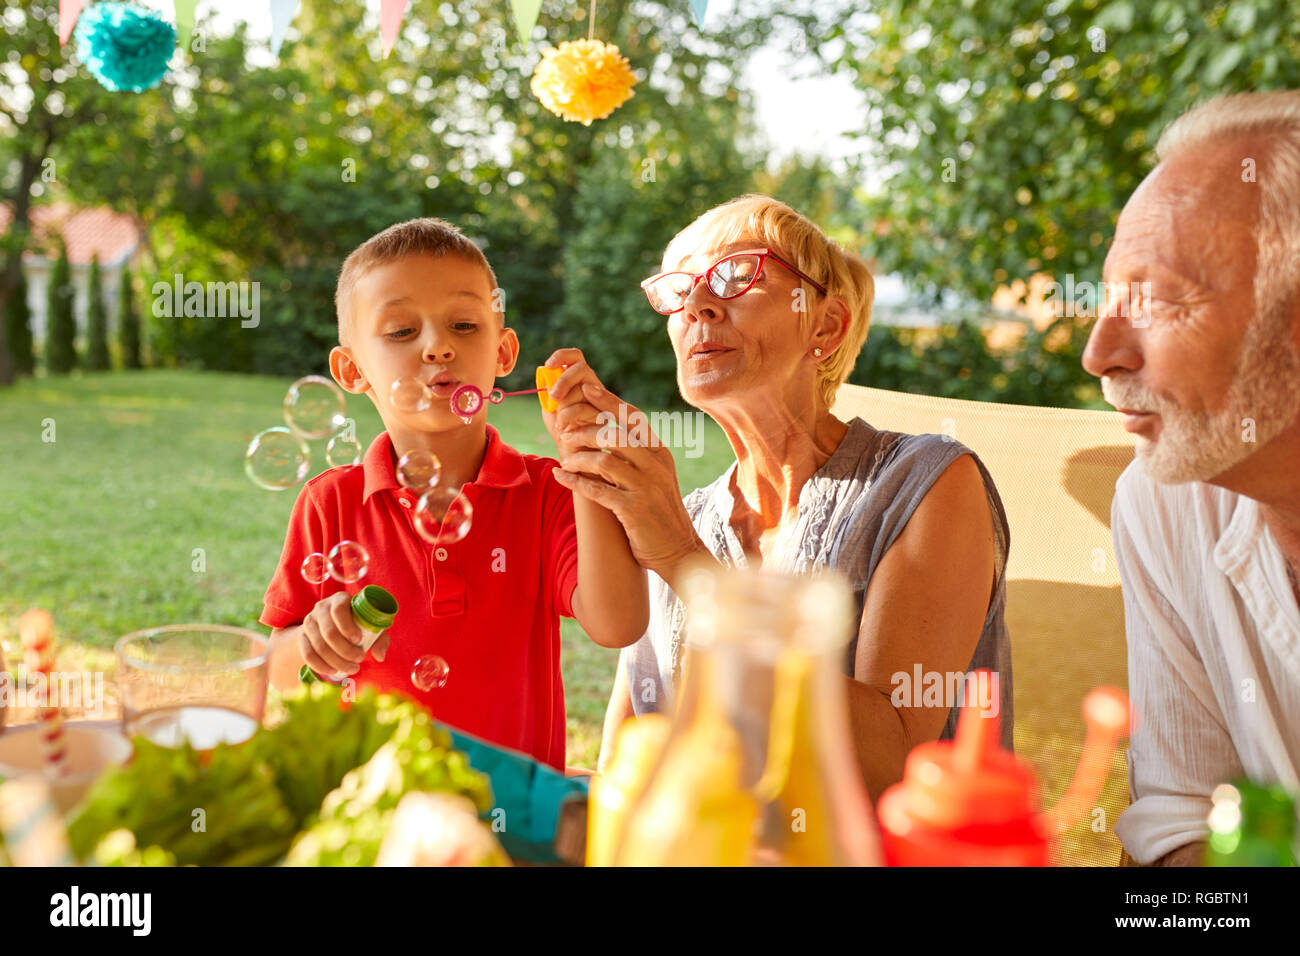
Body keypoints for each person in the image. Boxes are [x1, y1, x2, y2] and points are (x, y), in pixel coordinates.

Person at [543, 195, 1012, 799]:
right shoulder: (681, 518)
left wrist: (684, 561)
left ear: (826, 324)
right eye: (678, 290)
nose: (698, 307)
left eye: (737, 276)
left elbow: (894, 765)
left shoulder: (924, 482)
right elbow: (624, 772)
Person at [260, 218, 648, 770]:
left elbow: (618, 624)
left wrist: (581, 458)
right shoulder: (329, 504)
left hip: (513, 828)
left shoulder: (549, 493)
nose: (438, 346)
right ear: (351, 370)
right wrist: (311, 645)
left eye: (464, 325)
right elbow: (277, 671)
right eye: (400, 331)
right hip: (377, 816)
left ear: (504, 354)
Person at [1082, 91, 1300, 865]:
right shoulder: (1163, 501)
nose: (1100, 353)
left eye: (1157, 301)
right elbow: (1181, 812)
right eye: (1108, 299)